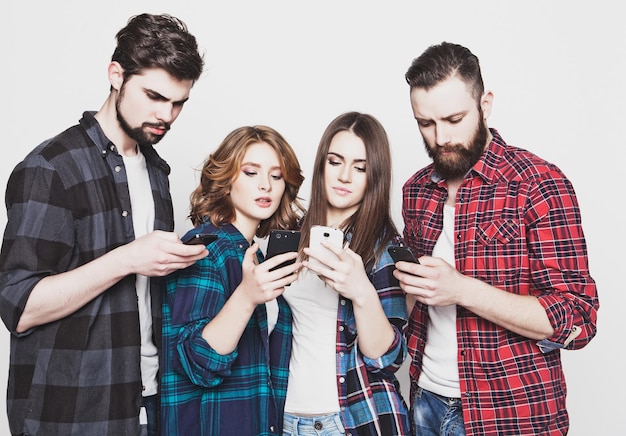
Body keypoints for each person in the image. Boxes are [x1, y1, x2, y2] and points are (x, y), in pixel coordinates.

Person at [0, 13, 206, 436]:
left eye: (178, 102)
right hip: (73, 411)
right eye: (153, 95)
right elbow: (18, 307)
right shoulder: (51, 167)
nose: (166, 114)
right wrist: (127, 258)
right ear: (116, 75)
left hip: (148, 400)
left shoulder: (155, 172)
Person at [394, 41, 599, 435]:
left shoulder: (540, 185)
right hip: (425, 403)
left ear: (485, 104)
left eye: (454, 119)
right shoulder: (416, 190)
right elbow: (412, 303)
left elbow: (579, 318)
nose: (440, 138)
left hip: (511, 415)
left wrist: (461, 289)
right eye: (425, 123)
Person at [161, 125, 305, 435]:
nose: (265, 185)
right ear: (227, 180)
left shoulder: (255, 257)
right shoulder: (205, 248)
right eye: (251, 173)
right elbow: (196, 361)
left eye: (276, 176)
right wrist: (245, 297)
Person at [282, 112, 411, 435]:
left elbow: (388, 360)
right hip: (285, 419)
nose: (344, 176)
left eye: (360, 167)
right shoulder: (289, 235)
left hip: (351, 420)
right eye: (335, 162)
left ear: (374, 176)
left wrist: (361, 291)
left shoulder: (384, 248)